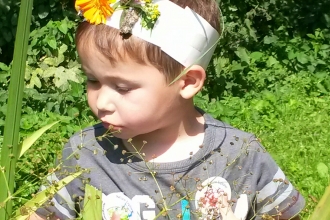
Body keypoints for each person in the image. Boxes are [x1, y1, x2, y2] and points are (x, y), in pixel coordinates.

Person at [30, 0, 305, 219]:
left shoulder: (240, 154)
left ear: (187, 82)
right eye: (93, 80)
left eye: (123, 88)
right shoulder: (87, 153)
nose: (101, 102)